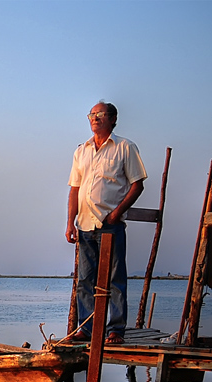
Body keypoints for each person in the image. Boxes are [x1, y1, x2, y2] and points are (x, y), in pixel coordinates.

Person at [66, 102, 147, 344]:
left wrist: (117, 212)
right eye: (92, 114)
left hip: (110, 224)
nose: (95, 118)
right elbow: (74, 190)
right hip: (85, 225)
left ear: (112, 119)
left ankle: (115, 330)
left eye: (100, 114)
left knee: (114, 279)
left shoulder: (124, 147)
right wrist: (70, 223)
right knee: (85, 281)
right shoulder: (82, 150)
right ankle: (86, 329)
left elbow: (137, 184)